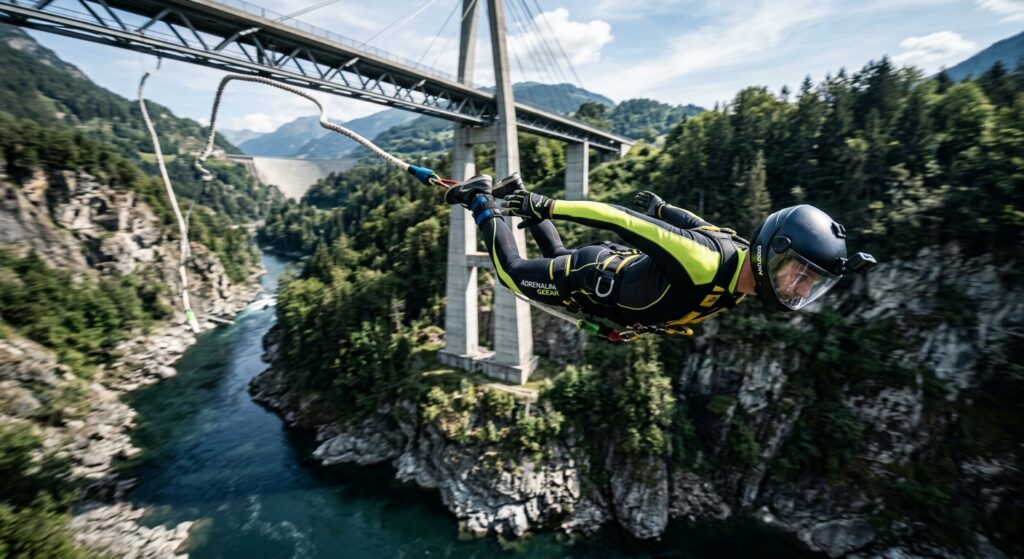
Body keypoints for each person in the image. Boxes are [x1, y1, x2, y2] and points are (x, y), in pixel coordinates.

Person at [444, 174, 875, 336]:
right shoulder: (704, 261)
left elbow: (696, 223)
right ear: (774, 254)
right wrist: (547, 206)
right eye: (801, 274)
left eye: (811, 283)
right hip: (592, 278)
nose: (802, 290)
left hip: (609, 280)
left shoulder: (742, 266)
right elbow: (618, 217)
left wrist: (664, 209)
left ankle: (513, 192)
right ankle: (480, 198)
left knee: (555, 253)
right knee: (512, 272)